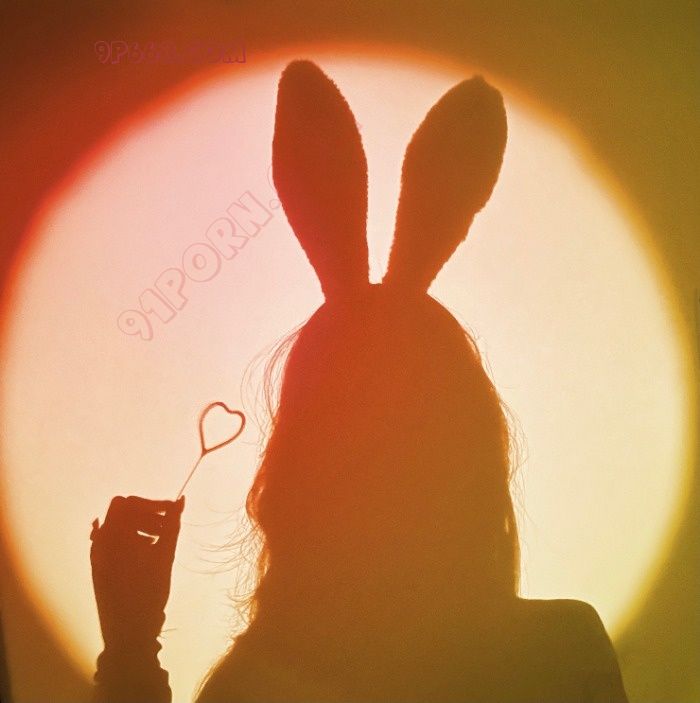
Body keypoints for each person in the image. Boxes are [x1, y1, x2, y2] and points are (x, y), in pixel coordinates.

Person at [90, 60, 629, 702]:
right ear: (471, 452)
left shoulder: (256, 687)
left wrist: (131, 651)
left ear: (293, 473)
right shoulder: (561, 652)